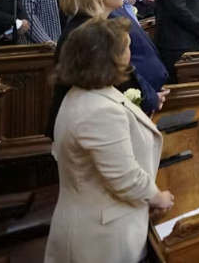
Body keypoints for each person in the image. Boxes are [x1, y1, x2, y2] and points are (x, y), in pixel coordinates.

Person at [46, 18, 174, 263]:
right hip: (102, 237)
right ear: (109, 57)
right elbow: (125, 178)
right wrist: (159, 197)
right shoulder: (99, 109)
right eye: (126, 47)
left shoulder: (84, 93)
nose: (130, 53)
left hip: (101, 220)